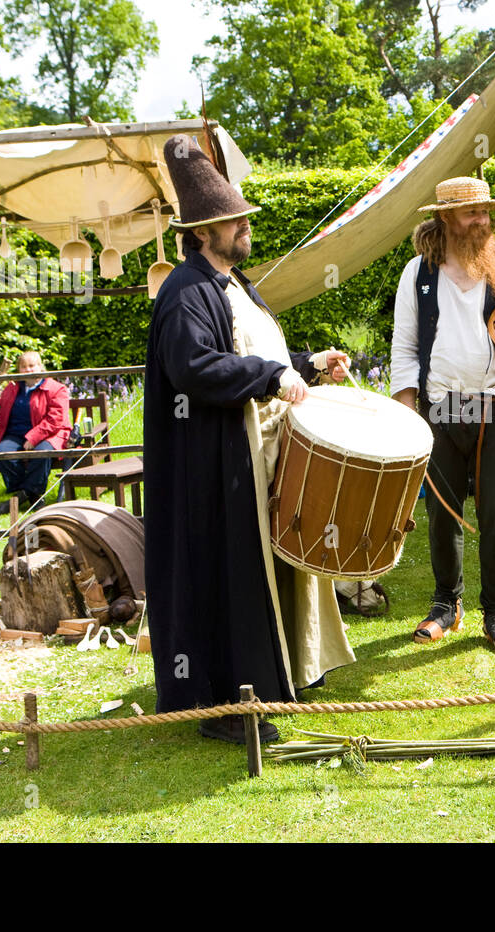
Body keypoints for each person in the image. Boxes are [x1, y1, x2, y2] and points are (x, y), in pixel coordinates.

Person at [145, 133, 355, 745]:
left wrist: (307, 364)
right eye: (232, 222)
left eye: (241, 218)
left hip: (258, 453)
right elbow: (196, 369)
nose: (244, 229)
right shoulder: (185, 293)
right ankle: (234, 699)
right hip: (216, 463)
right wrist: (272, 376)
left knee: (270, 566)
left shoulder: (235, 284)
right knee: (231, 576)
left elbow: (256, 353)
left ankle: (281, 672)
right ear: (202, 233)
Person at [391, 177, 495, 654]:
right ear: (446, 218)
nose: (482, 221)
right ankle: (446, 605)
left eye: (485, 212)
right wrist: (409, 416)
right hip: (439, 410)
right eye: (471, 214)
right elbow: (403, 348)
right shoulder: (417, 275)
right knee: (442, 515)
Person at [0, 351, 70, 511]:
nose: (28, 370)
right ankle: (31, 494)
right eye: (23, 366)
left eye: (32, 366)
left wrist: (33, 437)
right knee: (3, 452)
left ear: (40, 367)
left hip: (50, 434)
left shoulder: (56, 389)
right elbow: (0, 409)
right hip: (16, 435)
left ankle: (24, 495)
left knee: (41, 453)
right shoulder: (12, 388)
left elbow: (56, 418)